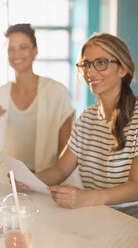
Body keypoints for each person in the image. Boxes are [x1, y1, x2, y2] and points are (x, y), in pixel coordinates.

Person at [22, 33, 138, 211]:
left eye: (101, 63)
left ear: (122, 69)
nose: (90, 72)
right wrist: (28, 180)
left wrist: (87, 198)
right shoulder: (87, 117)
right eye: (86, 64)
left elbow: (136, 186)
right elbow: (61, 169)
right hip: (96, 213)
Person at [0, 23, 74, 173]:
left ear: (35, 51)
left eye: (23, 47)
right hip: (4, 180)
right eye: (11, 49)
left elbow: (66, 150)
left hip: (44, 179)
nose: (17, 54)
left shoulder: (57, 92)